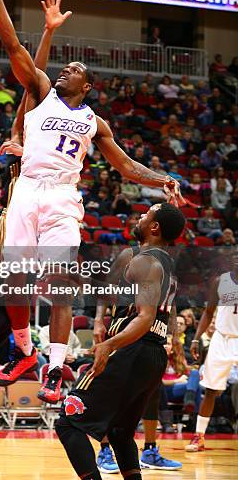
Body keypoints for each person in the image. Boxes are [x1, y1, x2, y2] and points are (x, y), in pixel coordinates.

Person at [0, 0, 182, 405]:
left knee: (60, 284)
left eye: (75, 69)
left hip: (64, 197)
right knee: (10, 279)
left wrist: (164, 178)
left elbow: (127, 167)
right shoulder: (40, 90)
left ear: (87, 85)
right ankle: (26, 353)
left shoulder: (94, 121)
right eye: (64, 67)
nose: (66, 70)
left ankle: (54, 368)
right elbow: (11, 43)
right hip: (28, 188)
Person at [55, 203, 185, 480]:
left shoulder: (144, 261)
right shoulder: (168, 265)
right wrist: (101, 319)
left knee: (68, 421)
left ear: (154, 227)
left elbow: (146, 316)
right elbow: (108, 290)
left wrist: (109, 344)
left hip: (130, 350)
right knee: (120, 432)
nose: (140, 216)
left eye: (146, 214)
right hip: (153, 355)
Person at [186, 249, 238, 452]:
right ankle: (198, 436)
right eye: (234, 257)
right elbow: (208, 313)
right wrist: (196, 339)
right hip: (222, 338)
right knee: (211, 390)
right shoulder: (220, 282)